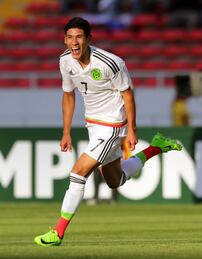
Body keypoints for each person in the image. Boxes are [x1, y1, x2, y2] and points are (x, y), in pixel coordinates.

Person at [34, 17, 182, 247]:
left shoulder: (110, 62)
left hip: (113, 124)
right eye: (70, 37)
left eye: (79, 37)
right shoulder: (65, 61)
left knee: (78, 172)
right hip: (93, 125)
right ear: (64, 40)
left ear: (89, 39)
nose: (74, 42)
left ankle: (58, 232)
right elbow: (68, 94)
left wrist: (131, 130)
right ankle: (156, 147)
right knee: (115, 180)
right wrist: (66, 131)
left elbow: (128, 94)